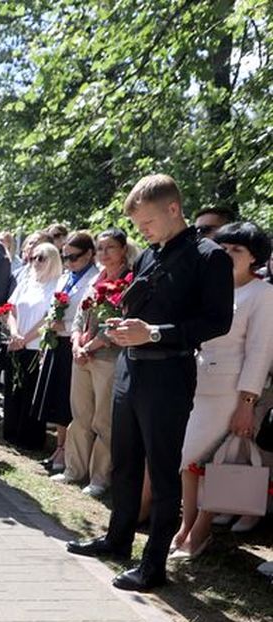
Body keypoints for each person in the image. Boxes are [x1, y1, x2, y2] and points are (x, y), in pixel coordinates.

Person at [67, 174, 234, 592]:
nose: (142, 231)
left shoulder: (208, 257)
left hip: (169, 373)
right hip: (131, 367)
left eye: (147, 223)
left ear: (173, 209)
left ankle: (153, 564)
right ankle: (118, 538)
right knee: (123, 459)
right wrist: (122, 328)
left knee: (161, 471)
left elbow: (218, 321)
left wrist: (155, 332)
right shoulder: (149, 256)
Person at [170, 222, 273, 558]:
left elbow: (259, 352)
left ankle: (201, 529)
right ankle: (187, 525)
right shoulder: (210, 287)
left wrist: (247, 402)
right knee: (188, 460)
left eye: (236, 250)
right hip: (196, 381)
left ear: (254, 257)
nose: (227, 255)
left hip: (230, 390)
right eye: (223, 248)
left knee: (209, 460)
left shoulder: (262, 294)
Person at [60, 228, 131, 496]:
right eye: (100, 248)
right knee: (80, 415)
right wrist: (77, 342)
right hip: (83, 354)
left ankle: (100, 477)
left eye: (110, 247)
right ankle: (74, 469)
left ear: (123, 249)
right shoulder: (94, 279)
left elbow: (119, 322)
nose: (104, 254)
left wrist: (91, 345)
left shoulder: (129, 280)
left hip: (107, 356)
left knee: (104, 420)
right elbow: (80, 314)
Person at [33, 231, 99, 473]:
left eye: (75, 257)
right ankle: (60, 446)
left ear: (90, 254)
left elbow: (91, 319)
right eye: (66, 257)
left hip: (74, 342)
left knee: (70, 402)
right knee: (57, 400)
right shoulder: (66, 277)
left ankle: (71, 451)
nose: (70, 262)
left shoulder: (94, 279)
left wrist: (66, 326)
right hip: (57, 343)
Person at [2, 242, 61, 450]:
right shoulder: (26, 281)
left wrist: (25, 339)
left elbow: (49, 318)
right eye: (33, 257)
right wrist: (15, 333)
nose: (35, 262)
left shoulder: (56, 284)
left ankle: (29, 438)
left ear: (52, 260)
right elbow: (11, 310)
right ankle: (11, 432)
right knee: (13, 389)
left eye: (41, 258)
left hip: (36, 346)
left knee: (31, 394)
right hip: (16, 341)